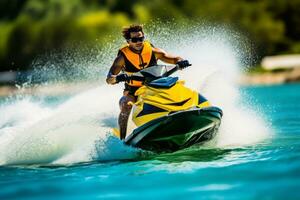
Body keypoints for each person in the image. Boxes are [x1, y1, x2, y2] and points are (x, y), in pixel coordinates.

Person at [106, 24, 190, 140]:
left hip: (156, 84)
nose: (139, 42)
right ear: (128, 41)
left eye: (141, 38)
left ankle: (185, 112)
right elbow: (109, 78)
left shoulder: (153, 51)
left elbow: (174, 58)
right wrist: (117, 78)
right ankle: (122, 140)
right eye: (135, 40)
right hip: (134, 90)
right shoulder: (122, 57)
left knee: (177, 88)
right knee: (126, 105)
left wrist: (182, 61)